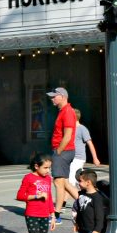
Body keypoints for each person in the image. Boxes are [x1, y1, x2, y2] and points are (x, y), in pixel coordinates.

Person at [47, 87, 76, 224]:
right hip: (63, 151)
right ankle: (87, 203)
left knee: (58, 183)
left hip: (63, 151)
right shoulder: (63, 111)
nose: (52, 99)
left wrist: (58, 151)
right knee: (63, 182)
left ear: (62, 96)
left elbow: (68, 135)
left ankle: (56, 215)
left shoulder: (67, 112)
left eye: (54, 96)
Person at [68, 109, 100, 185]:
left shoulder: (82, 129)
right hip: (70, 157)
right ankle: (84, 193)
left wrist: (95, 158)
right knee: (77, 180)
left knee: (71, 181)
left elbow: (90, 144)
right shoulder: (69, 129)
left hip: (78, 158)